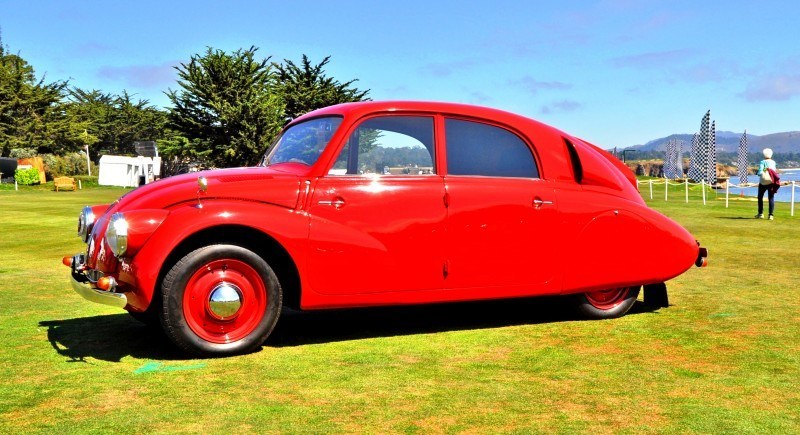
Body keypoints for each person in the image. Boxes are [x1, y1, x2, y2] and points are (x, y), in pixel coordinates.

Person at [755, 148, 778, 220]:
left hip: (763, 182)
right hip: (771, 182)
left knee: (760, 197)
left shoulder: (762, 162)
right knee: (771, 198)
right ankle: (771, 215)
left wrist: (758, 173)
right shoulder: (773, 162)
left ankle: (760, 213)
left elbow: (760, 172)